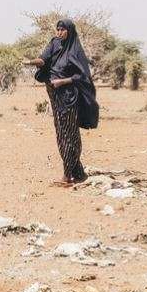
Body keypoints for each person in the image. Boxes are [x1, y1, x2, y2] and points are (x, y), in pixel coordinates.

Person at [24, 19, 99, 186]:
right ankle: (77, 172)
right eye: (57, 29)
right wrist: (30, 62)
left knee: (69, 133)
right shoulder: (54, 43)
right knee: (60, 132)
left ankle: (67, 175)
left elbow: (83, 76)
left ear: (69, 31)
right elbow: (43, 60)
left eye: (62, 30)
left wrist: (63, 81)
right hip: (54, 94)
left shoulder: (76, 50)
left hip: (69, 96)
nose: (59, 32)